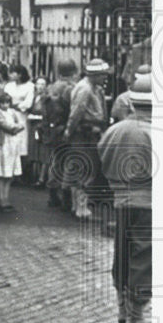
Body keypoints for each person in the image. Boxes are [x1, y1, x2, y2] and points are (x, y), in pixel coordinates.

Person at [98, 76, 153, 323]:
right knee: (144, 258)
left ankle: (123, 311)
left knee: (123, 254)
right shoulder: (158, 132)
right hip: (150, 202)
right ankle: (137, 319)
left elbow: (101, 156)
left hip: (122, 199)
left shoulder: (116, 129)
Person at [65, 58, 110, 219]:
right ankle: (80, 208)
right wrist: (69, 130)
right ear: (95, 75)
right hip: (84, 133)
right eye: (103, 75)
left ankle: (77, 206)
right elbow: (76, 112)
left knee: (83, 168)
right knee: (85, 169)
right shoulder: (85, 89)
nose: (105, 78)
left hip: (89, 132)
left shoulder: (94, 88)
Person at [42, 59, 79, 209]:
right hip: (65, 128)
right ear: (74, 71)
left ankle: (52, 194)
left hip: (52, 129)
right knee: (70, 163)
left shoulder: (51, 87)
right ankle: (66, 197)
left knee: (56, 161)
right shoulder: (71, 88)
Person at [0, 91, 24, 212]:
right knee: (2, 172)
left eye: (7, 102)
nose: (5, 105)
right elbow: (4, 125)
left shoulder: (12, 112)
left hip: (13, 143)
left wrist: (15, 128)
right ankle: (1, 199)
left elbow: (21, 124)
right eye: (2, 103)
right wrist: (14, 128)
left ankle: (6, 198)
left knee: (9, 173)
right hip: (3, 142)